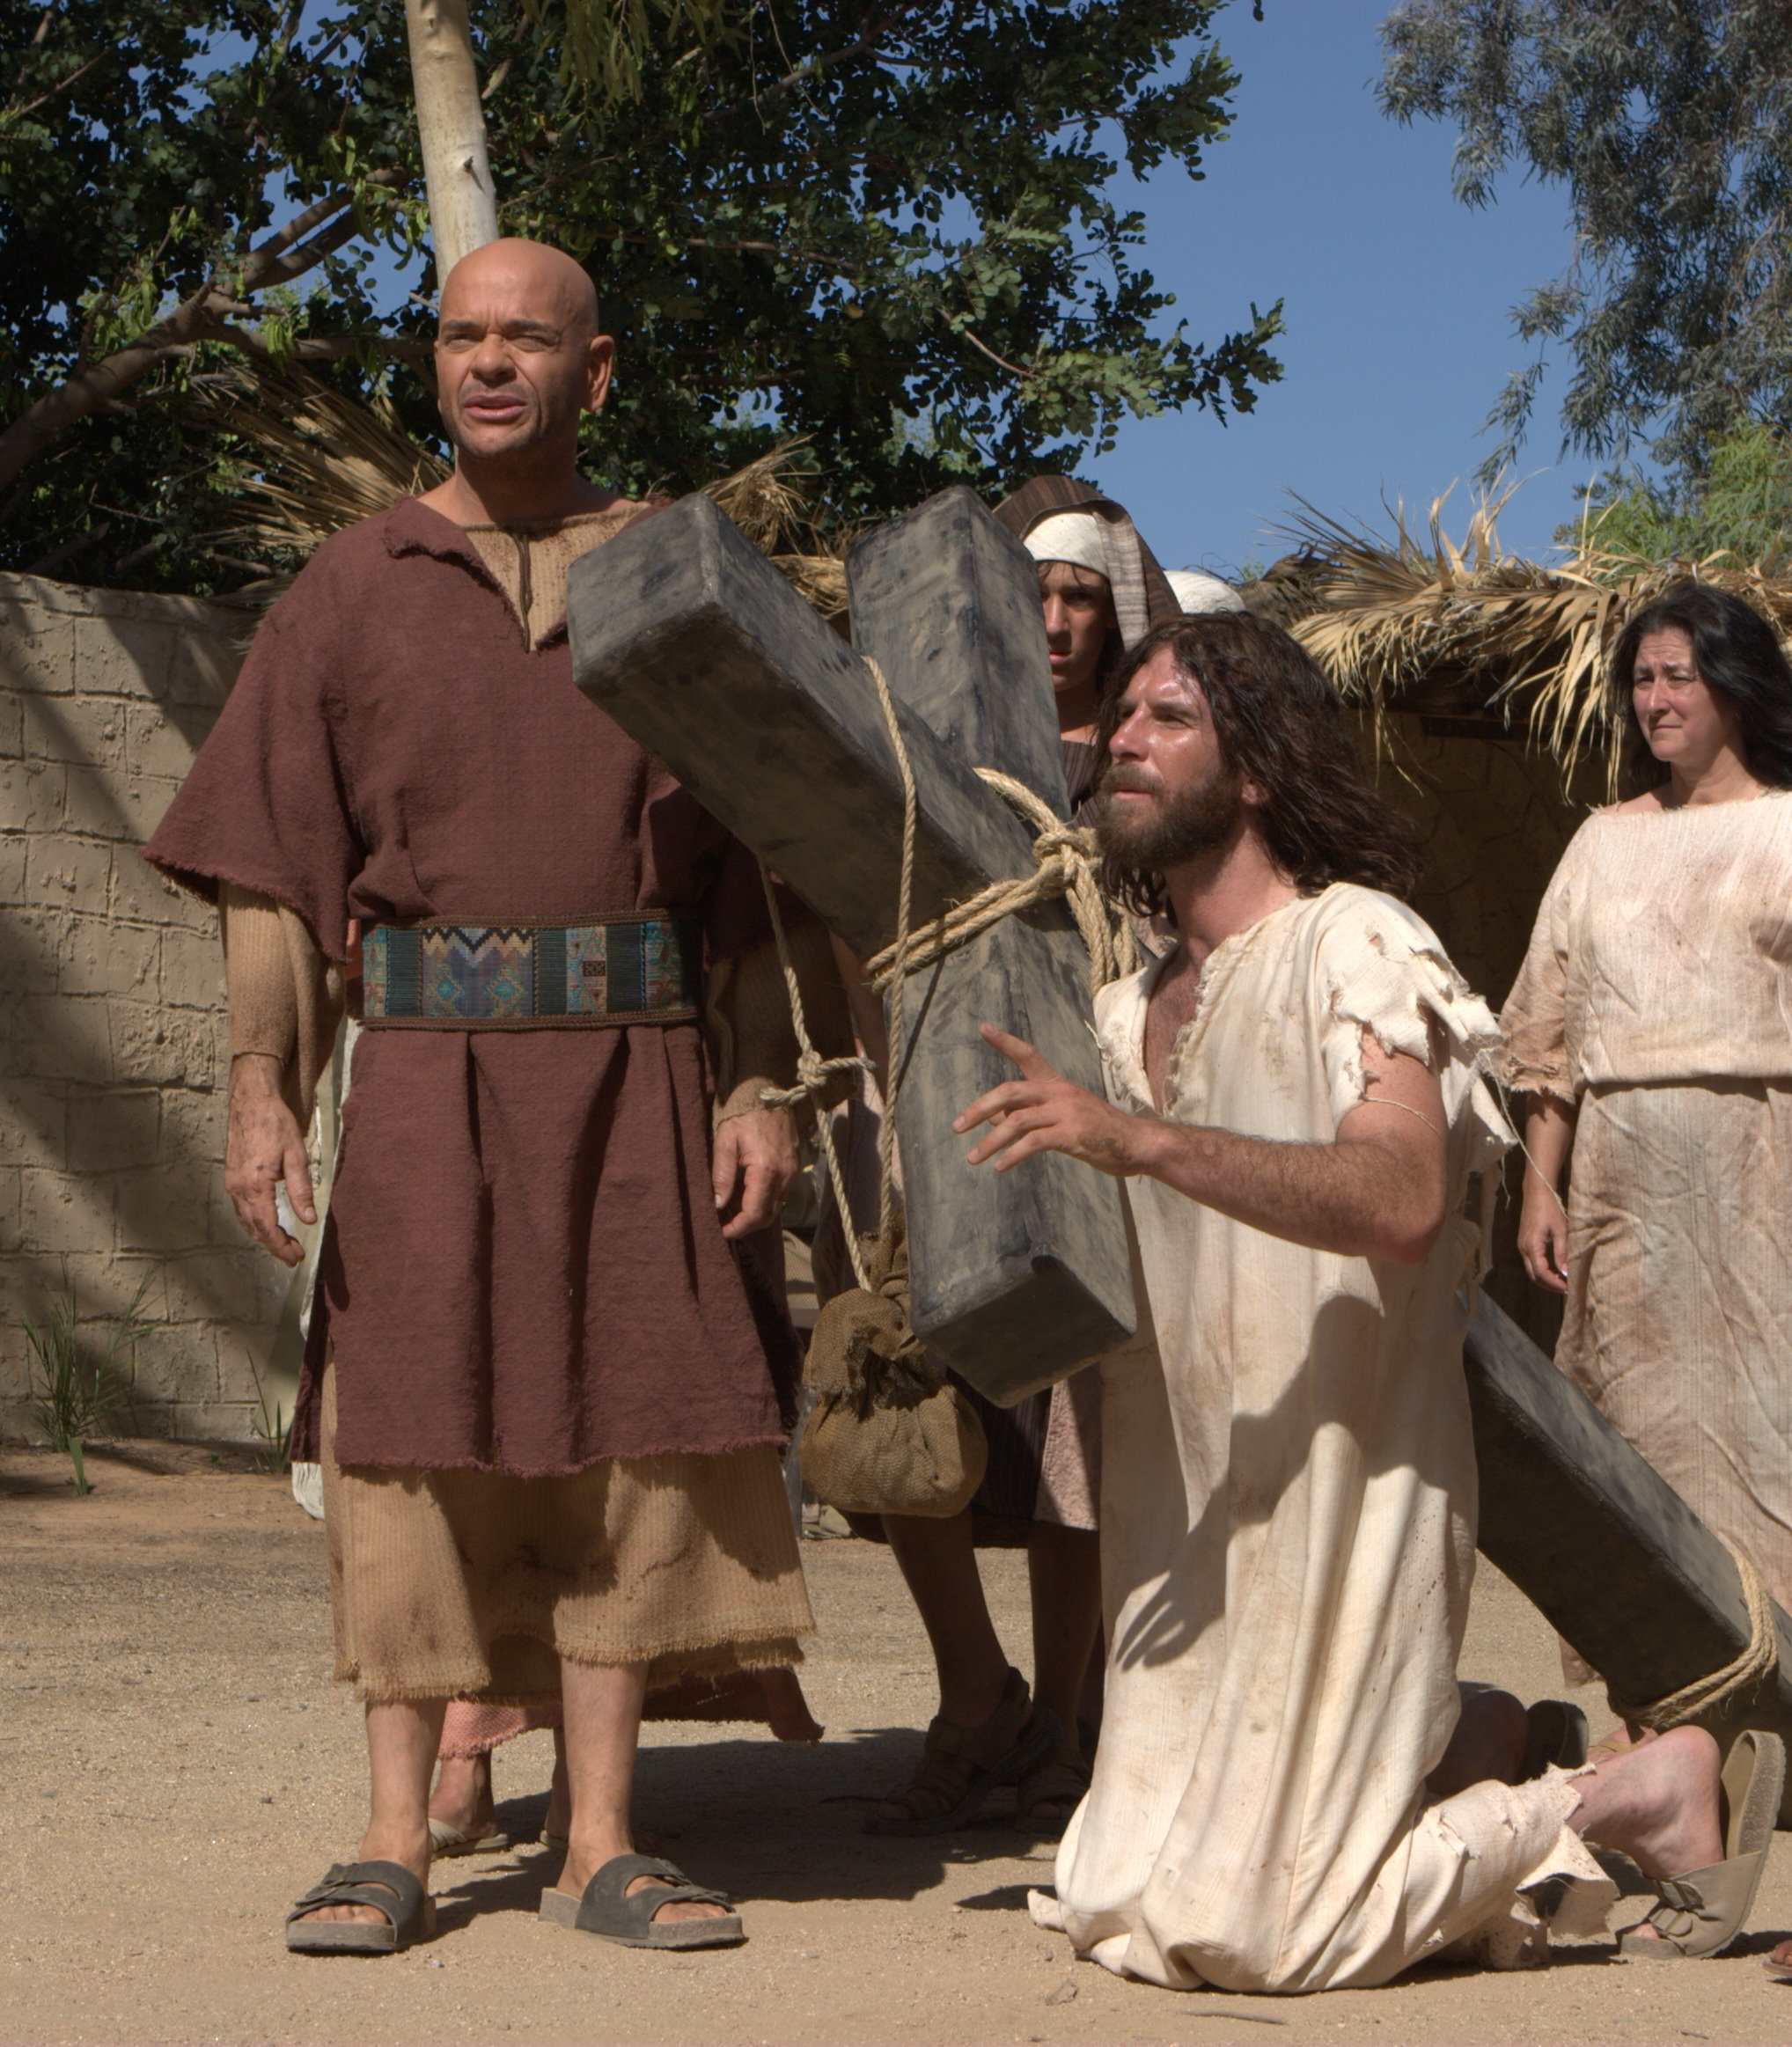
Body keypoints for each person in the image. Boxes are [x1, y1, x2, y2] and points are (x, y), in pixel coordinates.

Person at [144, 238, 818, 1955]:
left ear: (599, 372)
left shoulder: (683, 578)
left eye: (528, 337)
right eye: (462, 334)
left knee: (631, 1436)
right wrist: (258, 1087)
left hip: (640, 1077)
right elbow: (273, 877)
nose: (489, 361)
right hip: (425, 1078)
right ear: (430, 362)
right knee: (407, 1437)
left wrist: (758, 1082)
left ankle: (601, 1837)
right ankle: (393, 1833)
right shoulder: (353, 586)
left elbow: (750, 874)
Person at [949, 612, 1778, 1988]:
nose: (1125, 747)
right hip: (1189, 1515)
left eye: (1169, 720)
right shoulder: (1117, 1013)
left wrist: (1139, 1141)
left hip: (1350, 1493)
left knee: (1269, 1934)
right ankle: (1466, 1736)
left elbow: (1396, 1199)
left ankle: (1635, 1791)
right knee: (1118, 1895)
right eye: (1126, 722)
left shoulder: (1358, 946)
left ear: (1259, 768)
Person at [816, 479, 1181, 1839]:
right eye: (1037, 591)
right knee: (912, 1395)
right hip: (942, 1110)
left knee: (1079, 1441)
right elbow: (870, 907)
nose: (1058, 615)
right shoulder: (940, 755)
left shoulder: (1146, 756)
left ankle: (1071, 1719)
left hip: (1096, 1116)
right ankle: (977, 1689)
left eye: (1083, 593)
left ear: (1115, 610)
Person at [1498, 583, 1792, 1984]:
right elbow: (1549, 1029)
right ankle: (1674, 1794)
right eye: (1640, 683)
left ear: (1736, 684)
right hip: (1618, 1189)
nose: (1655, 702)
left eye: (1678, 677)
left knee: (1774, 1478)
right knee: (1637, 1475)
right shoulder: (1601, 845)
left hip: (1760, 1180)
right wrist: (1541, 1179)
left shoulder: (1790, 828)